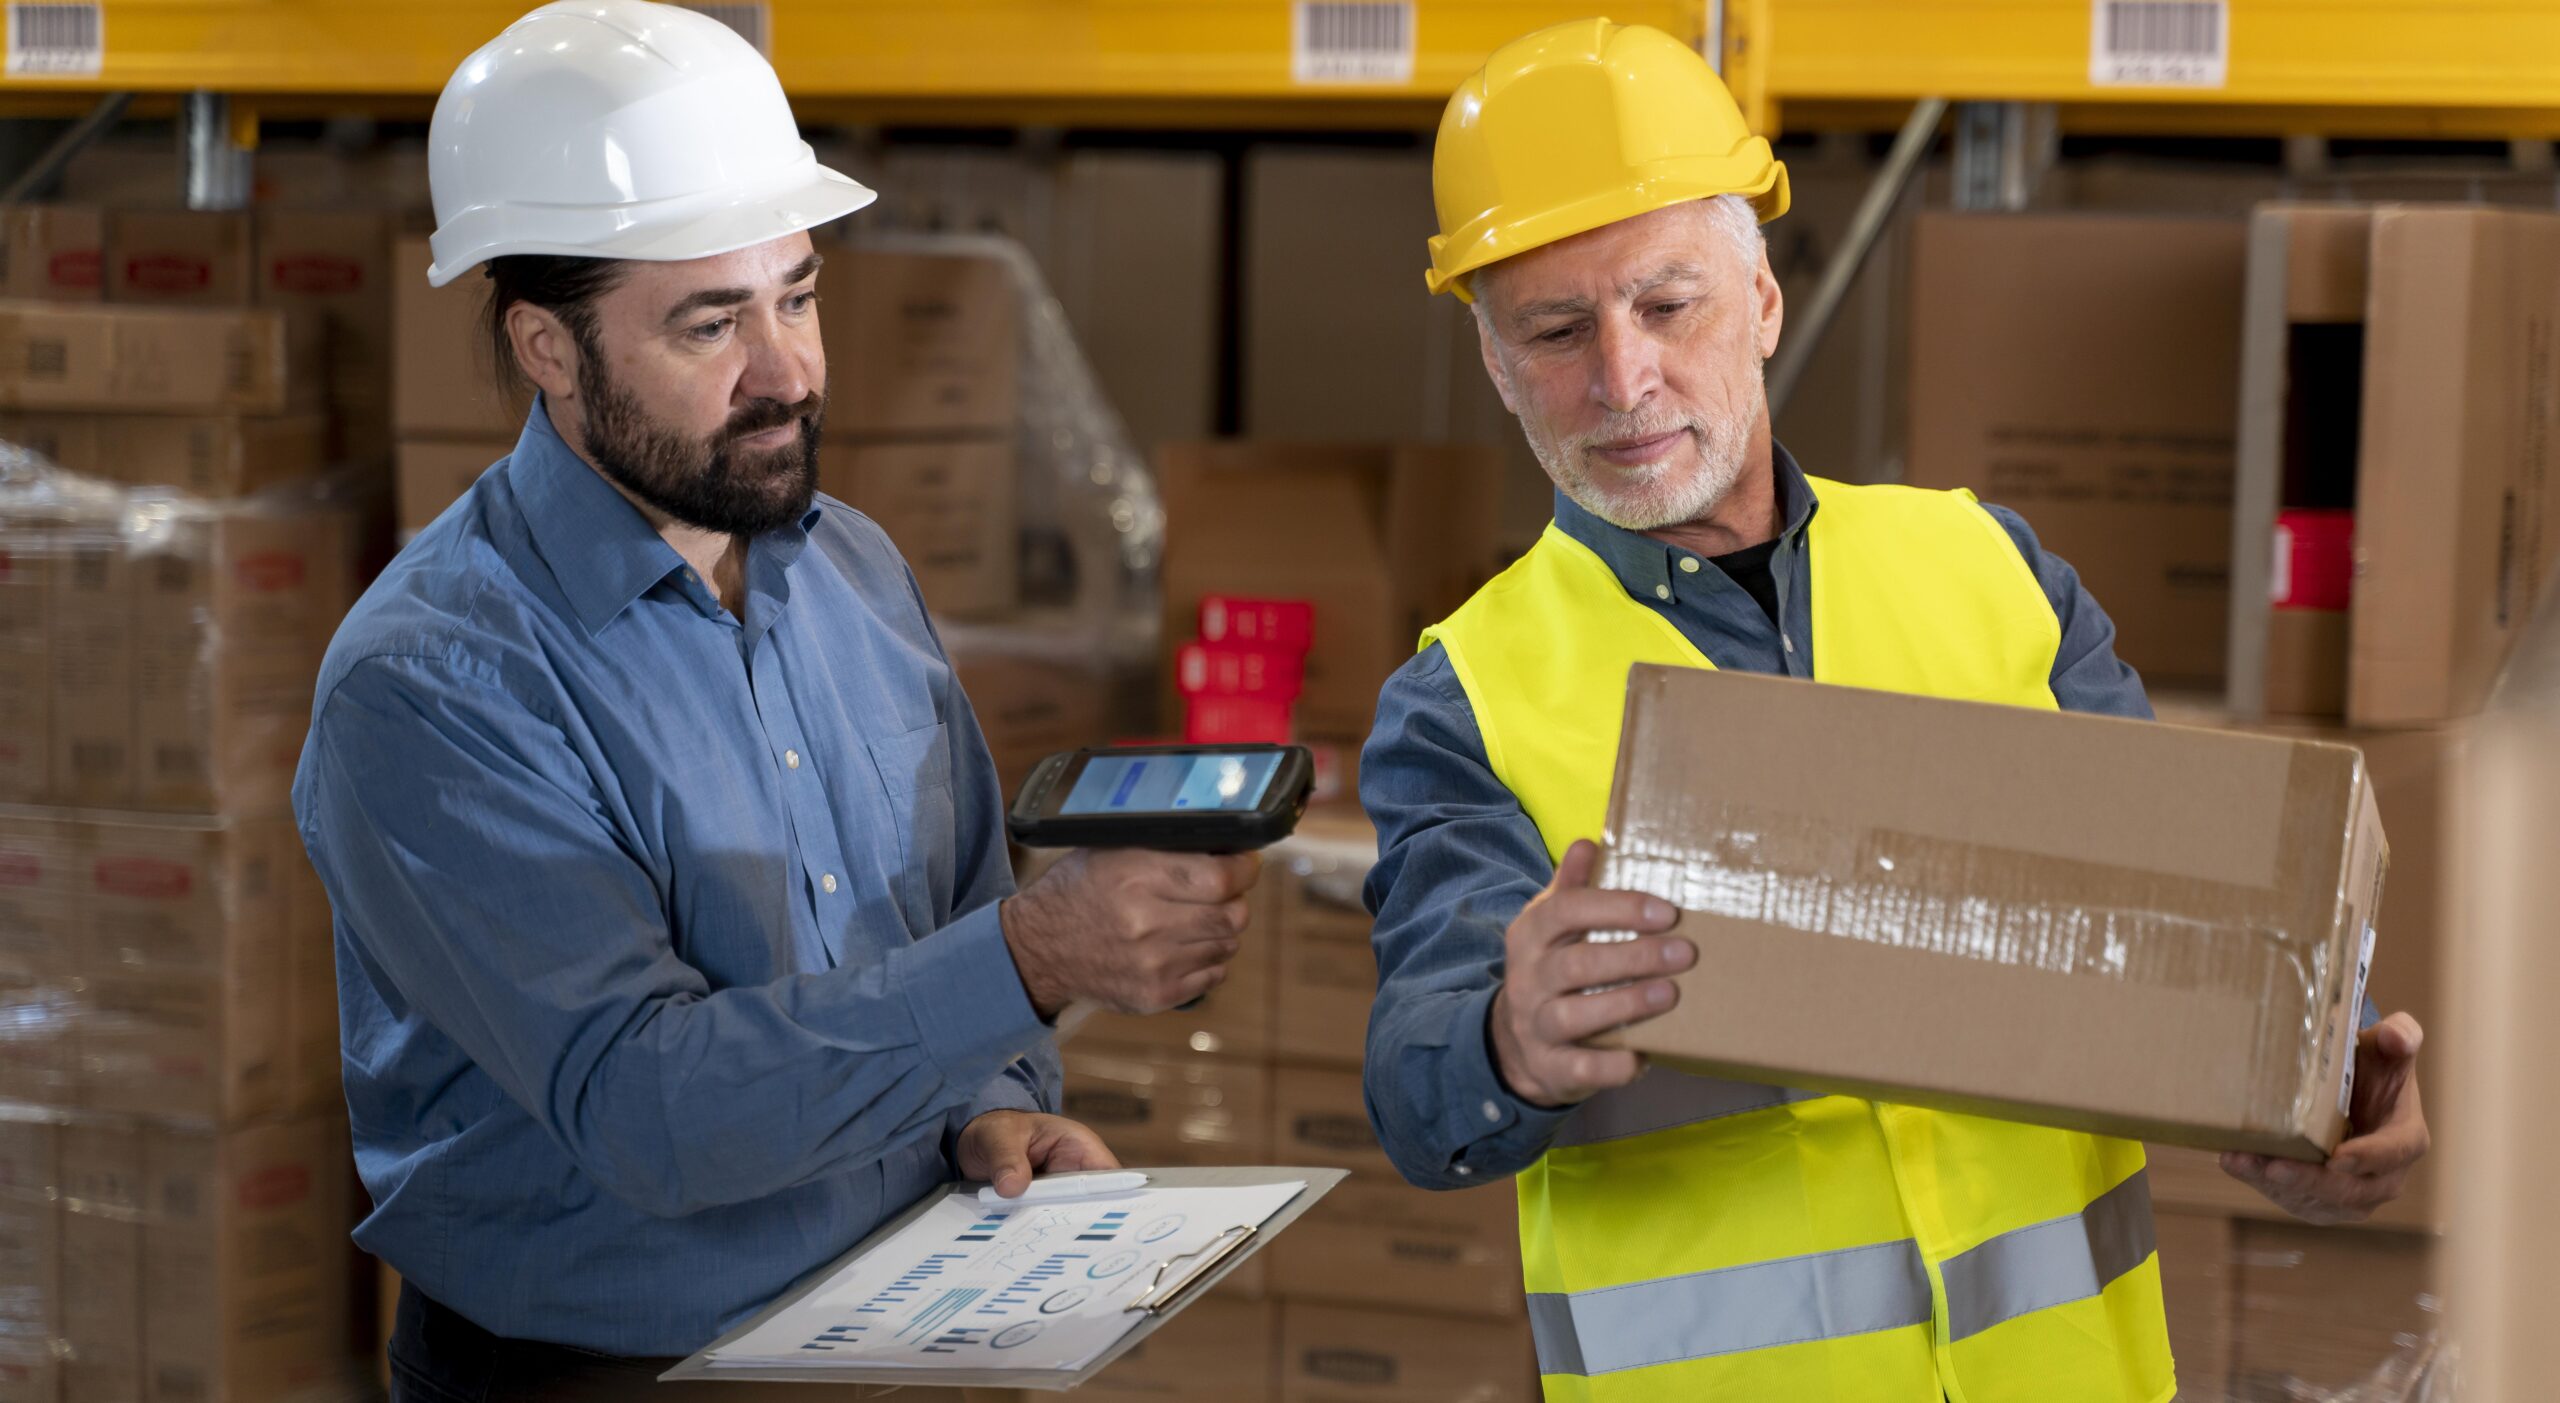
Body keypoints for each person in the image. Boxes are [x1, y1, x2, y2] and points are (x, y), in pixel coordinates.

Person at [1358, 19, 2431, 1402]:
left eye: (1667, 306)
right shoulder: (1465, 696)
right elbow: (1414, 1080)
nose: (1622, 383)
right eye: (1556, 332)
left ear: (1762, 302)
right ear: (1498, 365)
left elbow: (2204, 929)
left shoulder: (1991, 571)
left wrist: (2326, 1088)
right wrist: (1506, 1039)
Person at [292, 5, 1256, 1397]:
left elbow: (948, 914)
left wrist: (990, 1112)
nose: (788, 372)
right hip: (598, 1372)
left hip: (904, 1322)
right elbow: (651, 1109)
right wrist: (1039, 959)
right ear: (547, 347)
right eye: (711, 323)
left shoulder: (851, 569)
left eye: (797, 296)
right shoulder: (436, 682)